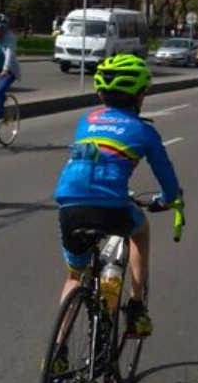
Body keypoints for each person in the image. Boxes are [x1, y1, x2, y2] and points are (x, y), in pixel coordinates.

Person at [53, 54, 183, 339]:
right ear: (139, 95)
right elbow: (167, 180)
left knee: (76, 275)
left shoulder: (86, 120)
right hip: (112, 205)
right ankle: (136, 310)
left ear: (100, 93)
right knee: (141, 231)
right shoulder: (144, 130)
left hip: (69, 202)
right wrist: (168, 199)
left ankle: (58, 350)